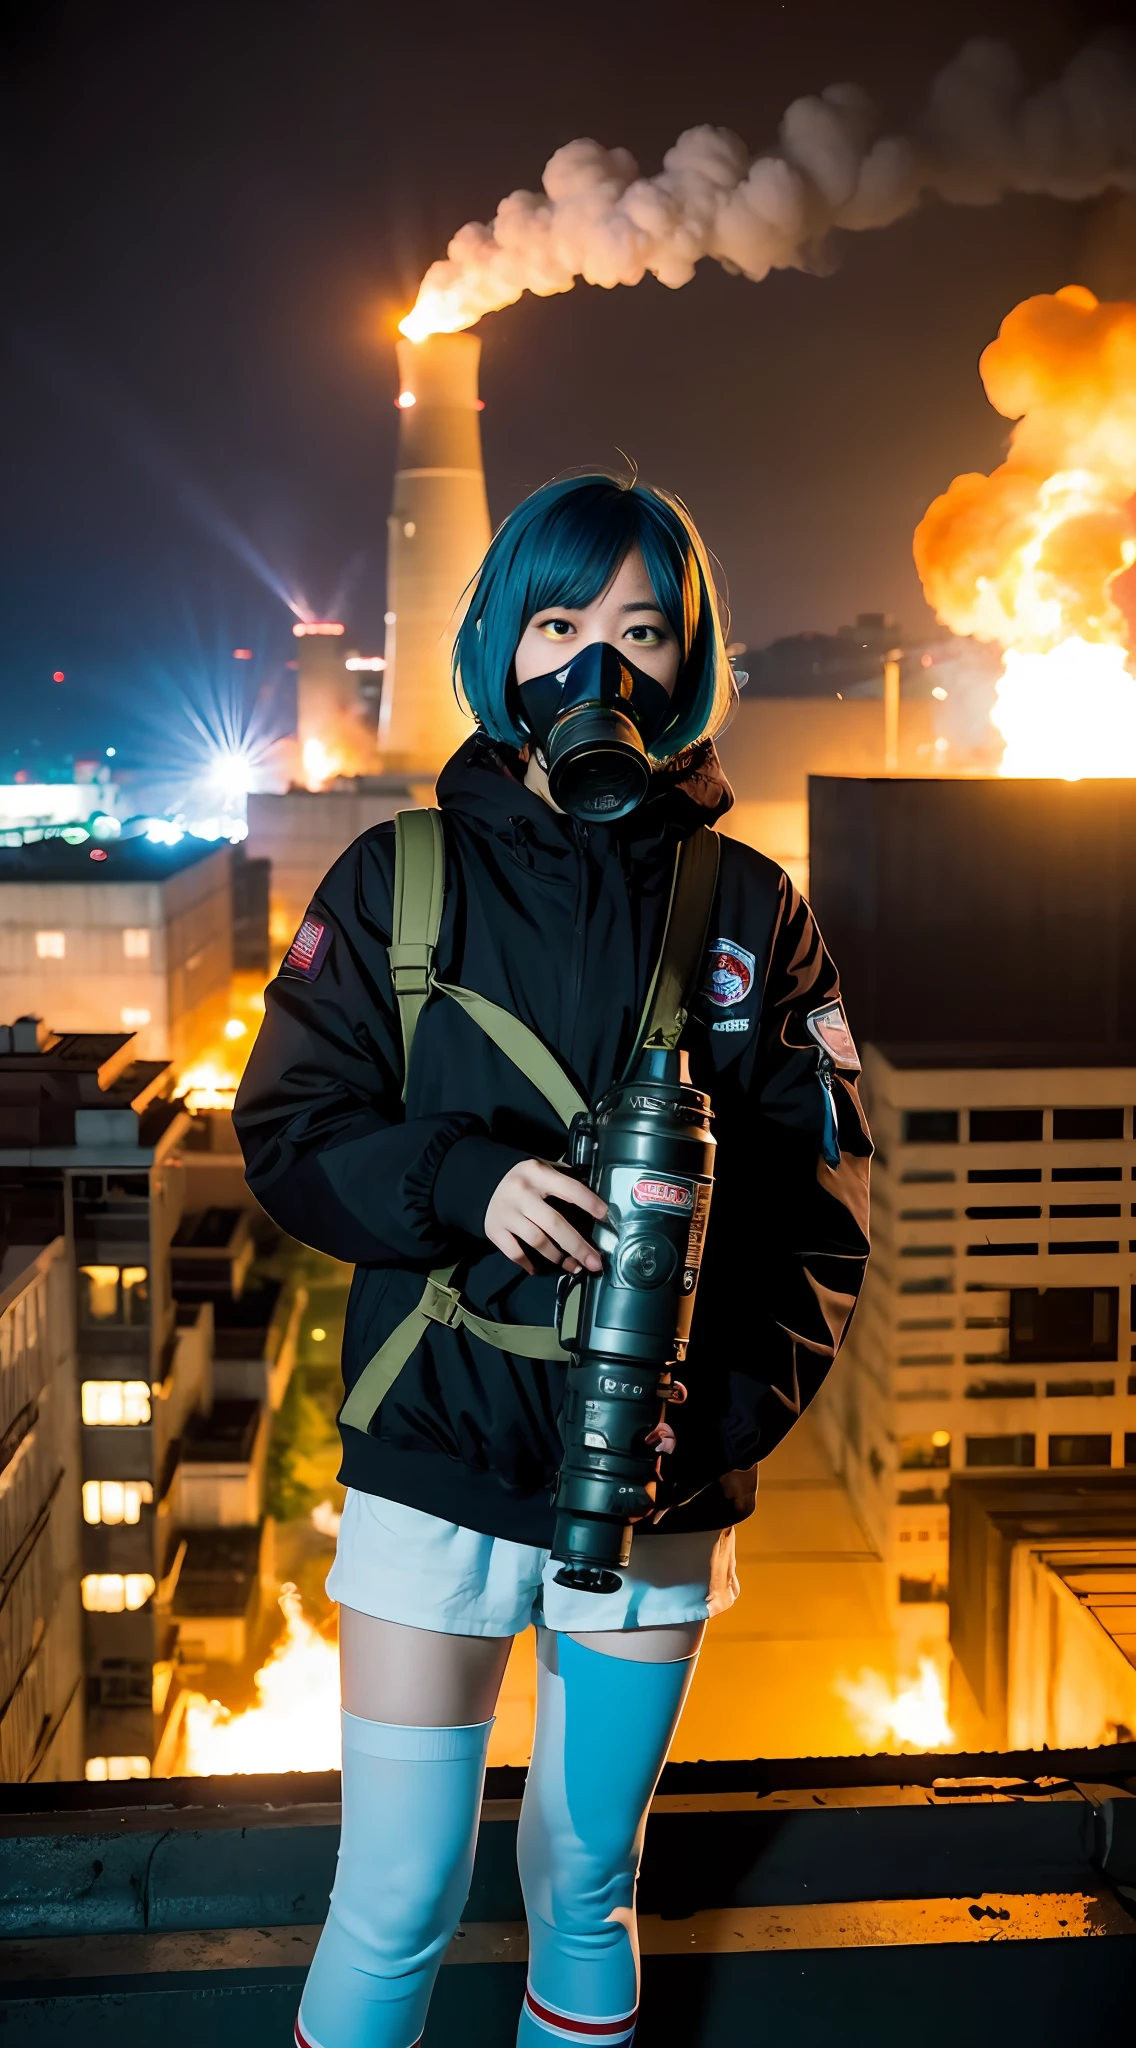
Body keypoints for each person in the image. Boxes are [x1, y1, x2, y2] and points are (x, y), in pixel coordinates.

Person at [233, 473, 871, 2048]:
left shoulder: (753, 911)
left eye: (645, 631)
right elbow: (291, 1133)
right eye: (562, 623)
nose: (603, 667)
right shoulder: (396, 878)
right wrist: (465, 1179)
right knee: (392, 1899)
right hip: (432, 1465)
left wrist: (704, 1430)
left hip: (653, 1491)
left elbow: (818, 1218)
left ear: (693, 662)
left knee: (590, 1885)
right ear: (497, 643)